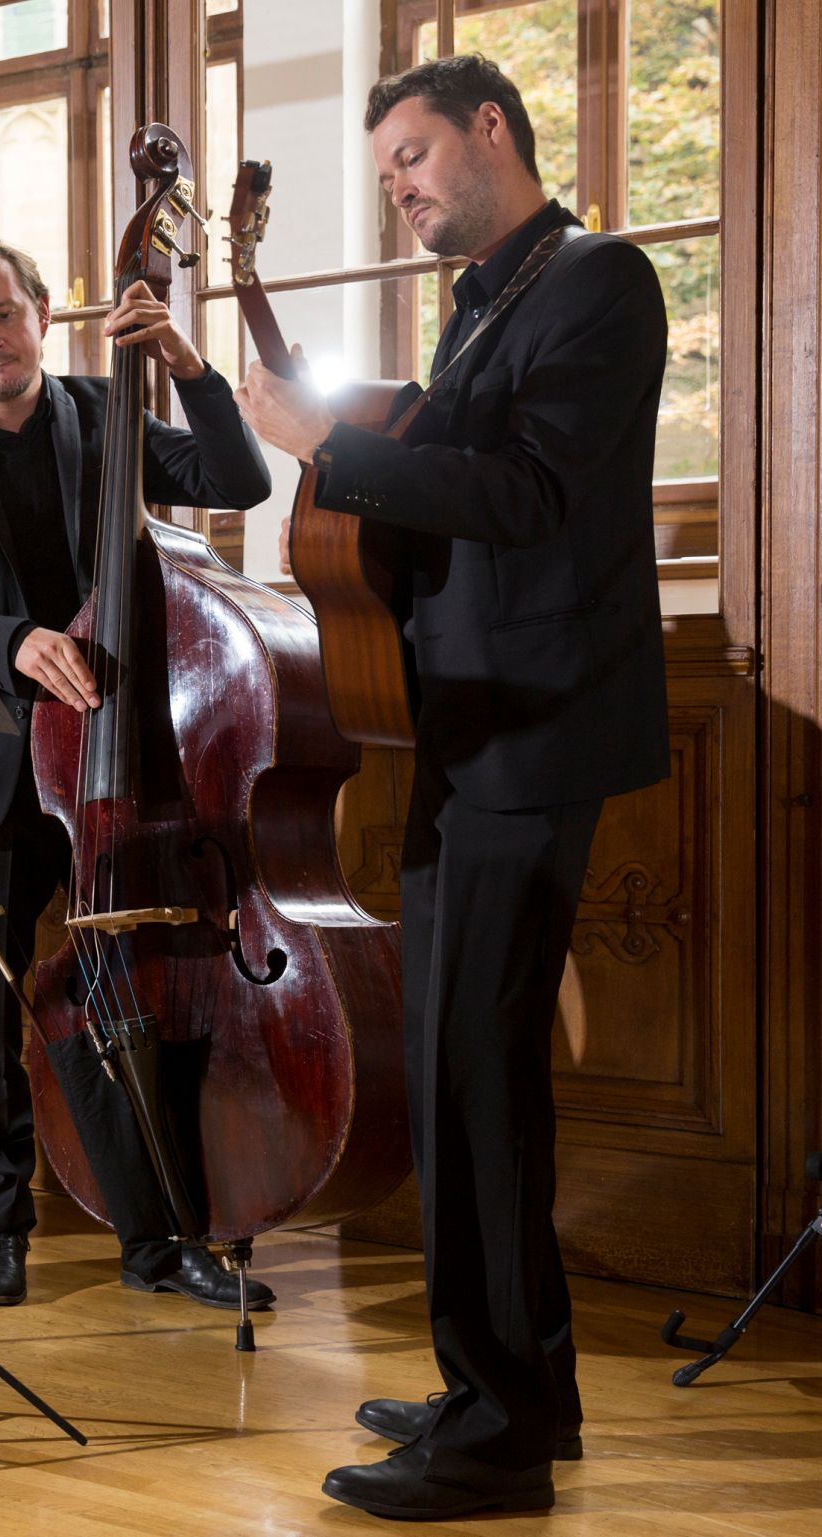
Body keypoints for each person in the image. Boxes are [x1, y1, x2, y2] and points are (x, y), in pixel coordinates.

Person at [235, 56, 670, 1519]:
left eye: (414, 155)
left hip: (533, 731)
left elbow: (533, 496)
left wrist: (333, 451)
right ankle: (513, 1387)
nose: (402, 186)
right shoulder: (487, 297)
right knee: (465, 1075)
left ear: (494, 129)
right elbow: (441, 497)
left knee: (477, 1079)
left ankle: (494, 1437)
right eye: (385, 174)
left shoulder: (601, 282)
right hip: (456, 730)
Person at [0, 238, 277, 1310]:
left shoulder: (108, 411)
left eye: (4, 315)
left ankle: (156, 1237)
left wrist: (188, 367)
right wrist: (11, 639)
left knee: (126, 996)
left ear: (41, 314)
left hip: (117, 770)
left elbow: (238, 479)